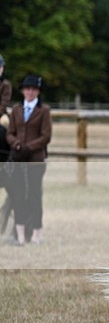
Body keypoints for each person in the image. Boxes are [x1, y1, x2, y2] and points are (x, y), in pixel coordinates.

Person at [6, 74, 51, 245]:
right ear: (23, 91)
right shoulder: (16, 110)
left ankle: (36, 233)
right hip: (18, 158)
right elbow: (10, 133)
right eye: (27, 89)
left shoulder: (44, 111)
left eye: (33, 89)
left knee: (34, 195)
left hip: (35, 159)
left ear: (38, 92)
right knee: (18, 196)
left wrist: (28, 147)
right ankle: (20, 234)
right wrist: (16, 144)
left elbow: (46, 136)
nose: (30, 92)